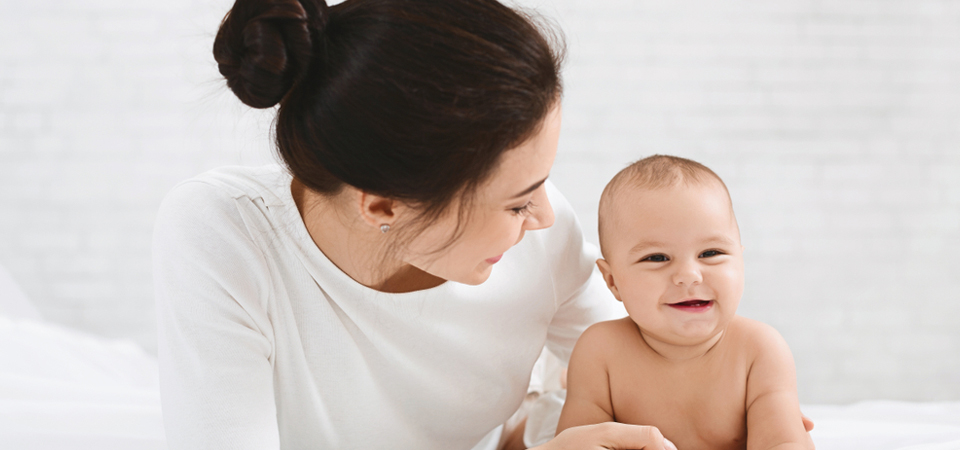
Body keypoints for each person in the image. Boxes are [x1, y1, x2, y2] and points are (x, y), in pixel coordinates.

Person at [153, 0, 679, 448]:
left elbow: (660, 369)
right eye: (516, 204)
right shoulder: (225, 233)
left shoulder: (541, 234)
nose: (543, 216)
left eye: (541, 184)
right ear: (383, 206)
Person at [556, 155, 815, 449]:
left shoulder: (759, 350)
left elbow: (782, 443)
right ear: (613, 281)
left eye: (711, 252)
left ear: (741, 260)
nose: (688, 276)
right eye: (657, 258)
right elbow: (576, 443)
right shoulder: (599, 352)